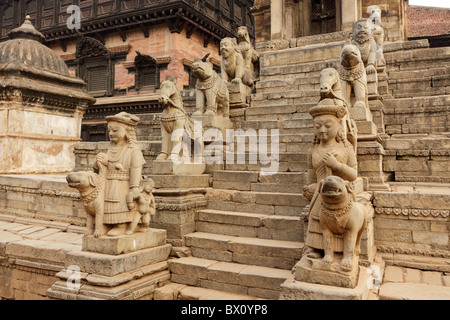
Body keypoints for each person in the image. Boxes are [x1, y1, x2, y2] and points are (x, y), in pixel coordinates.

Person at [302, 99, 358, 257]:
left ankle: (340, 250)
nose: (322, 130)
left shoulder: (346, 149)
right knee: (317, 216)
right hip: (320, 192)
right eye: (317, 126)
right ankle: (315, 247)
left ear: (339, 126)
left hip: (340, 192)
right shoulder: (313, 151)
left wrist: (336, 166)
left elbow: (353, 174)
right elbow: (311, 175)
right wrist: (309, 187)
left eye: (328, 125)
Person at [94, 112, 146, 237]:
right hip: (109, 182)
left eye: (115, 130)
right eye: (109, 131)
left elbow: (136, 169)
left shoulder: (134, 151)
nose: (111, 133)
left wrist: (134, 187)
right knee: (108, 205)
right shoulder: (110, 148)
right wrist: (98, 162)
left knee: (119, 204)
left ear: (127, 131)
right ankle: (108, 224)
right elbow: (100, 169)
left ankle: (121, 225)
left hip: (123, 184)